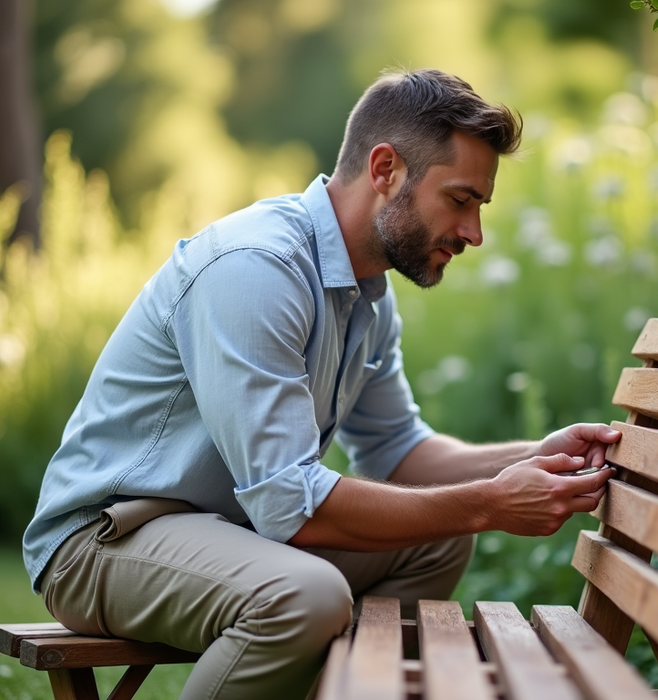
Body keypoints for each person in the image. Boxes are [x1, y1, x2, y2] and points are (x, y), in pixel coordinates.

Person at [23, 68, 619, 700]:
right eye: (461, 200)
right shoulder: (257, 268)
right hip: (105, 539)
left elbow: (399, 450)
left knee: (439, 542)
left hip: (232, 532)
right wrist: (489, 503)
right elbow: (291, 504)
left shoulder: (368, 293)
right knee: (306, 597)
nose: (474, 232)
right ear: (385, 169)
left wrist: (534, 457)